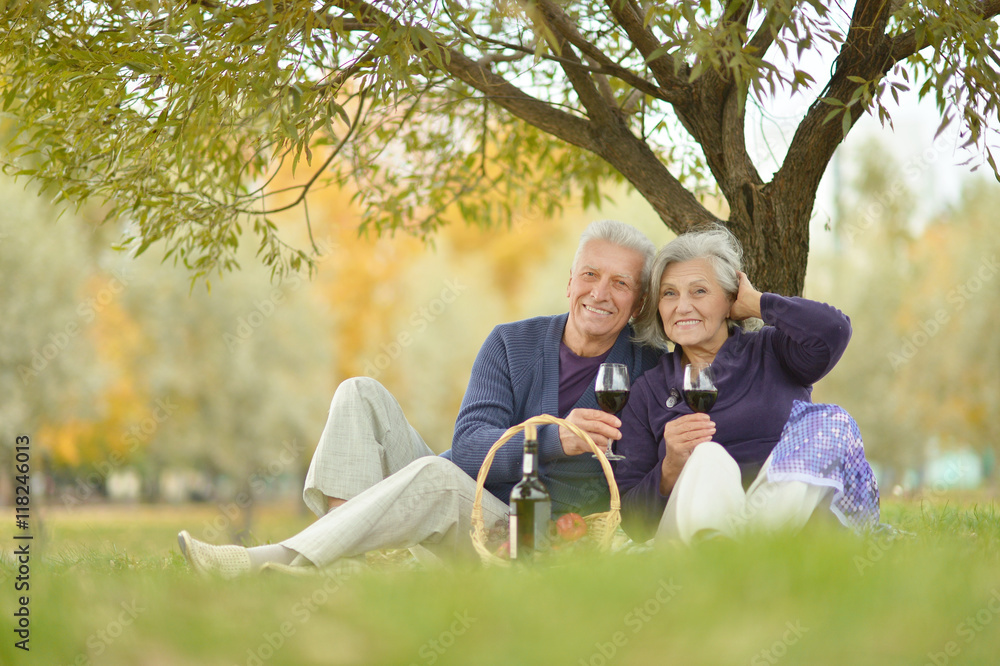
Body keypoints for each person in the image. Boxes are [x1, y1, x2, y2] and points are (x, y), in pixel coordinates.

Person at [178, 219, 661, 576]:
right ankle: (344, 566)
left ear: (638, 303)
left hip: (525, 537)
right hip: (467, 499)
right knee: (358, 393)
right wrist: (555, 439)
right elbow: (471, 449)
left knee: (436, 474)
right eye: (591, 275)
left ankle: (256, 562)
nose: (601, 292)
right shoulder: (512, 343)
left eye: (621, 283)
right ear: (570, 282)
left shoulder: (652, 369)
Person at [614, 223, 879, 545]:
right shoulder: (648, 391)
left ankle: (746, 552)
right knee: (708, 457)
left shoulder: (773, 351)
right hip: (687, 535)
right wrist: (670, 466)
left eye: (699, 291)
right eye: (669, 293)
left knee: (829, 422)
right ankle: (737, 553)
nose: (682, 306)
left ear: (730, 300)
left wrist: (756, 303)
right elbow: (634, 521)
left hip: (786, 517)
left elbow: (833, 331)